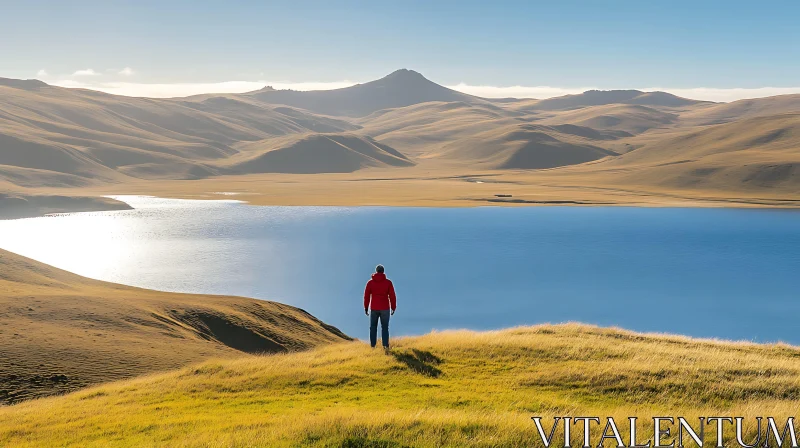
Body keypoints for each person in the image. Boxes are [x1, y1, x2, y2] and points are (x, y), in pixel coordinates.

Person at [363, 264, 397, 350]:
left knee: (373, 327)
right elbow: (392, 296)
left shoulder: (370, 283)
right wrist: (393, 307)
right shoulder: (388, 282)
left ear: (376, 271)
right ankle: (385, 346)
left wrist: (366, 307)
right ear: (383, 272)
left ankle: (373, 346)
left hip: (374, 308)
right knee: (385, 327)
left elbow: (366, 296)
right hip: (385, 308)